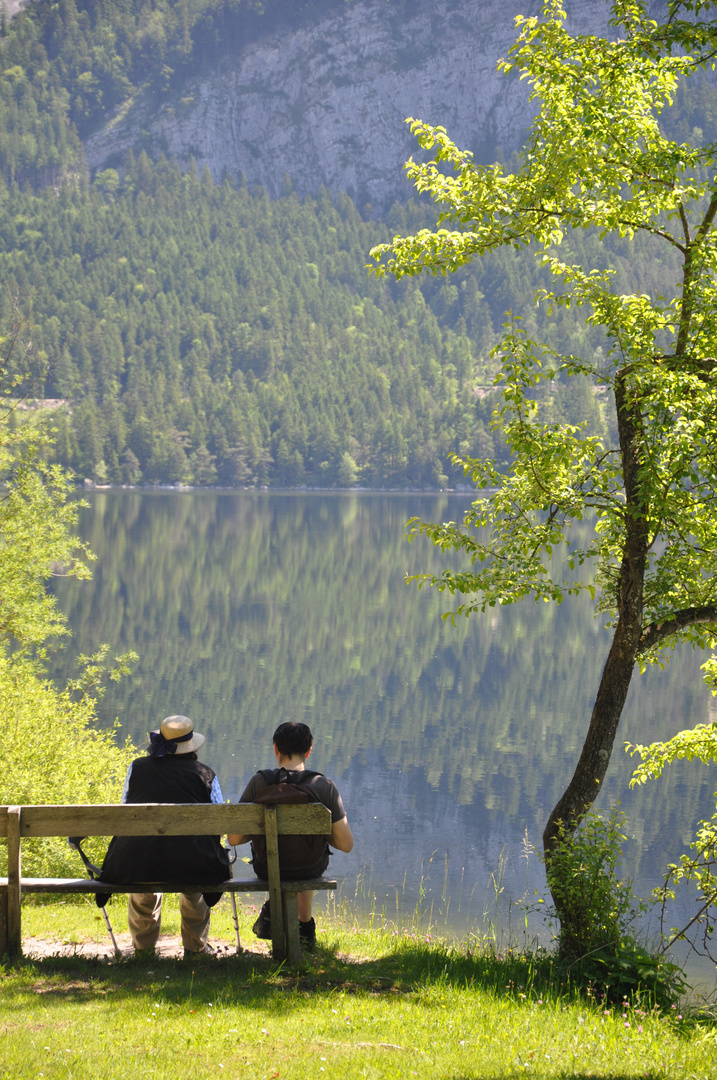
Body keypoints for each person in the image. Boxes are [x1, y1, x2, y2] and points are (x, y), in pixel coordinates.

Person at [97, 714, 231, 958]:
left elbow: (125, 809)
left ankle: (143, 950)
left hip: (139, 861)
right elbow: (218, 822)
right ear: (191, 746)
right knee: (195, 886)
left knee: (143, 884)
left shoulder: (137, 768)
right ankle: (195, 949)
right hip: (192, 863)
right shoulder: (206, 774)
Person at [228, 721, 353, 951]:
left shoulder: (260, 782)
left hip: (266, 867)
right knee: (305, 856)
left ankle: (274, 910)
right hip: (309, 867)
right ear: (309, 750)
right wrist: (321, 835)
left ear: (276, 749)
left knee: (281, 855)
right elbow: (346, 844)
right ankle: (304, 928)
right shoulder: (324, 786)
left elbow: (234, 839)